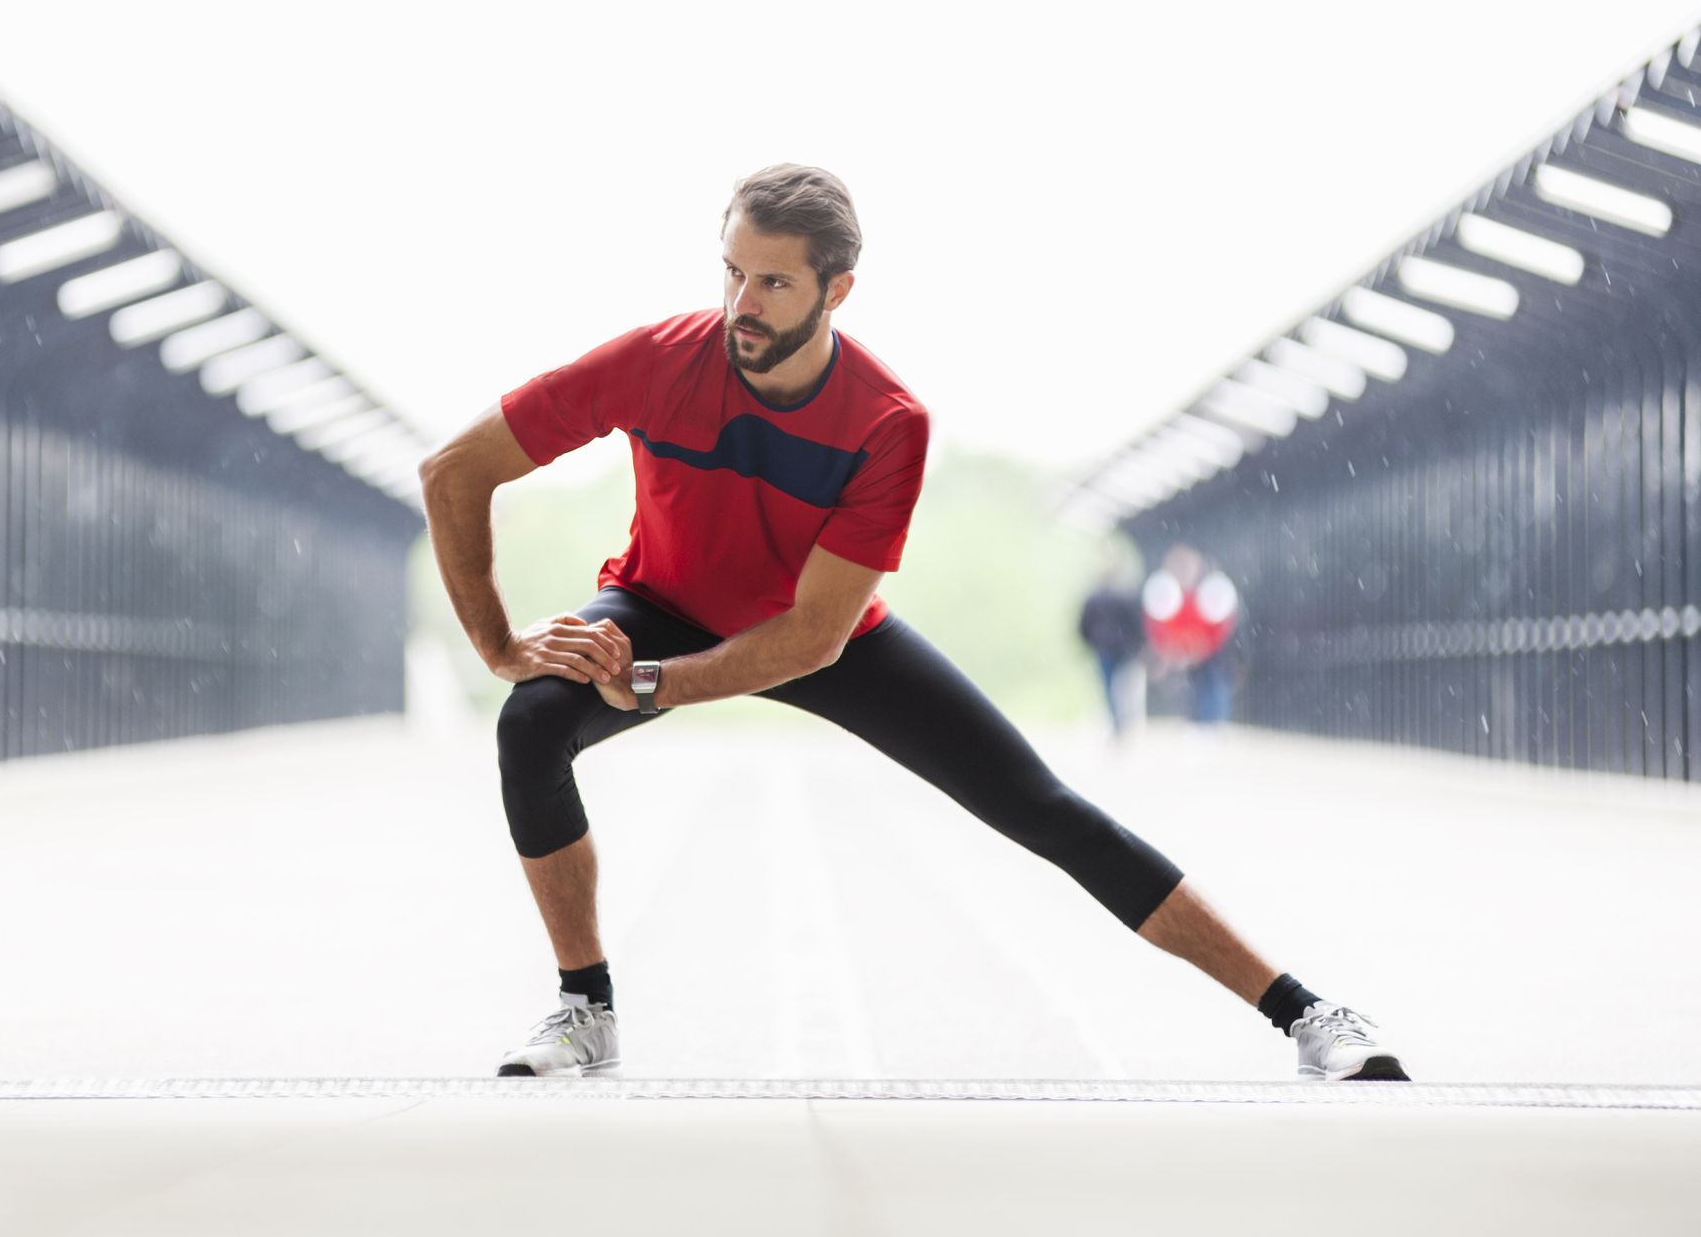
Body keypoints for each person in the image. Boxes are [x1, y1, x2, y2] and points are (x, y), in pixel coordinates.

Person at [417, 164, 1406, 1083]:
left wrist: (645, 684)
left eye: (772, 284)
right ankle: (584, 1009)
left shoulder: (886, 419)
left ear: (835, 291)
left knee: (1042, 807)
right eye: (730, 273)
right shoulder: (655, 361)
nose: (739, 306)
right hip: (663, 604)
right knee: (531, 720)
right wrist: (501, 646)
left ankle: (1307, 1014)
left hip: (824, 628)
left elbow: (809, 639)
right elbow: (452, 470)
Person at [1143, 545, 1239, 726]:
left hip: (1209, 651)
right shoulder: (1172, 595)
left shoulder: (1208, 592)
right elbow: (1162, 625)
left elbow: (1221, 625)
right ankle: (1203, 721)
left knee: (1212, 684)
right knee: (1198, 686)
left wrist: (1203, 646)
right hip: (1189, 650)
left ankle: (1213, 722)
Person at [1078, 570, 1146, 738]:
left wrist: (1088, 642)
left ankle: (1116, 719)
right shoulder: (1124, 598)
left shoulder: (1093, 600)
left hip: (1104, 647)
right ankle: (1121, 719)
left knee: (1108, 685)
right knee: (1123, 686)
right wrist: (1137, 645)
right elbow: (1135, 623)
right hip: (1122, 648)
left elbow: (1084, 624)